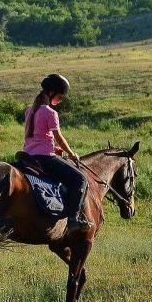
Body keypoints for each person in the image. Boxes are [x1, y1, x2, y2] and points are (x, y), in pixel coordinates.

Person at [22, 73, 92, 231]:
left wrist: (53, 148)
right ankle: (74, 219)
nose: (60, 101)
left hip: (28, 156)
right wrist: (71, 153)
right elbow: (58, 136)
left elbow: (34, 137)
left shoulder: (29, 111)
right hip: (45, 158)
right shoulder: (50, 113)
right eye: (60, 97)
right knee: (80, 179)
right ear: (52, 93)